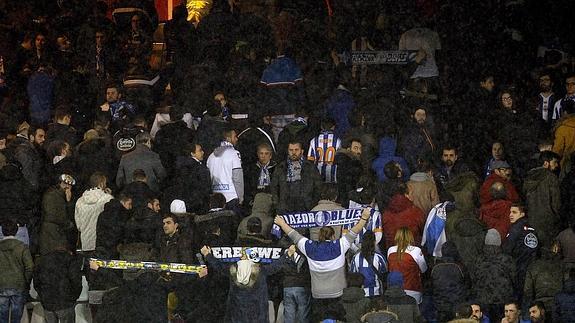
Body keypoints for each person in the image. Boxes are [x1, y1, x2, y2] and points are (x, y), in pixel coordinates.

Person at [274, 208, 372, 322]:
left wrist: (281, 223)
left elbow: (294, 235)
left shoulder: (309, 247)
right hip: (338, 294)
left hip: (318, 295)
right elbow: (354, 231)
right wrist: (364, 218)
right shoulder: (340, 245)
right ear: (333, 237)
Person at [200, 244, 296, 323]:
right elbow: (276, 266)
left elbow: (218, 265)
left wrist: (207, 254)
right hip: (257, 315)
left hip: (236, 315)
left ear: (241, 257)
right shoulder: (261, 271)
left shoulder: (232, 271)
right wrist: (288, 254)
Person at [471, 229, 516, 322]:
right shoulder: (507, 259)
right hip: (503, 300)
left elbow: (473, 279)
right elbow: (514, 279)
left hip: (482, 300)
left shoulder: (478, 259)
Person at [34, 244, 82, 323]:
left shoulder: (42, 260)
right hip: (65, 302)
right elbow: (76, 281)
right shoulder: (70, 260)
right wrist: (73, 297)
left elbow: (36, 282)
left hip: (47, 302)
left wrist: (42, 295)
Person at [270, 140, 322, 214]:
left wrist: (312, 205)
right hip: (285, 209)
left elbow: (318, 188)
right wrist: (278, 206)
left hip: (306, 209)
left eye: (296, 150)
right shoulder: (280, 168)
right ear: (288, 151)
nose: (293, 152)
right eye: (291, 150)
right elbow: (274, 188)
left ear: (302, 151)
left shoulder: (310, 168)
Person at [522, 150, 561, 248]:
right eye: (554, 162)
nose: (556, 165)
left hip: (531, 219)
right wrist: (557, 217)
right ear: (546, 163)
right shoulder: (551, 178)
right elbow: (556, 203)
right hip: (547, 222)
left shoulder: (528, 177)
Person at [503, 203, 540, 301]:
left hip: (519, 270)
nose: (510, 215)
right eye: (510, 212)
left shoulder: (515, 229)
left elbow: (507, 250)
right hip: (533, 269)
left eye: (514, 212)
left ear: (522, 214)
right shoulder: (532, 229)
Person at [0, 219, 34, 323]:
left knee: (2, 317)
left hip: (1, 285)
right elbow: (30, 267)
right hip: (18, 286)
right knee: (16, 318)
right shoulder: (22, 247)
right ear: (16, 231)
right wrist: (26, 281)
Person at [206, 128, 244, 213]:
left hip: (216, 198)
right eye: (235, 137)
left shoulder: (210, 156)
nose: (237, 139)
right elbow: (237, 177)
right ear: (228, 138)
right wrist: (241, 197)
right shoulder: (234, 154)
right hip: (232, 197)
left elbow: (207, 178)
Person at [75, 172, 114, 254]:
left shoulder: (80, 200)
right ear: (101, 183)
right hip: (102, 243)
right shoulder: (107, 199)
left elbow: (78, 225)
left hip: (86, 243)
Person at [387, 227, 427, 304]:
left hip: (394, 291)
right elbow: (424, 269)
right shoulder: (416, 250)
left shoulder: (390, 250)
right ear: (410, 236)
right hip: (413, 289)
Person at [39, 173, 76, 255]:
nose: (67, 187)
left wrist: (69, 201)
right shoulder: (51, 195)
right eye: (65, 184)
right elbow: (52, 215)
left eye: (69, 185)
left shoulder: (63, 196)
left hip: (58, 232)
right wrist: (67, 224)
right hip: (51, 233)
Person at [382, 183, 425, 249]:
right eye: (411, 193)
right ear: (406, 195)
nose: (413, 195)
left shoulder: (385, 213)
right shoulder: (416, 212)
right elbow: (423, 230)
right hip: (413, 250)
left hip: (392, 250)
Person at [350, 231, 387, 297]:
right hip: (376, 293)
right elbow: (384, 274)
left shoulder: (355, 257)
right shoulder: (379, 257)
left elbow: (353, 276)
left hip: (361, 295)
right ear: (374, 242)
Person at [307, 117, 342, 183]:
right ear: (333, 127)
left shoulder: (314, 141)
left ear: (321, 127)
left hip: (318, 177)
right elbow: (340, 160)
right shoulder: (338, 141)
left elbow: (310, 161)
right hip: (333, 177)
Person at [334, 137, 363, 207]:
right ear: (348, 149)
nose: (359, 151)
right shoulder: (353, 165)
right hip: (348, 203)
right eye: (355, 148)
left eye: (360, 148)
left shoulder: (340, 161)